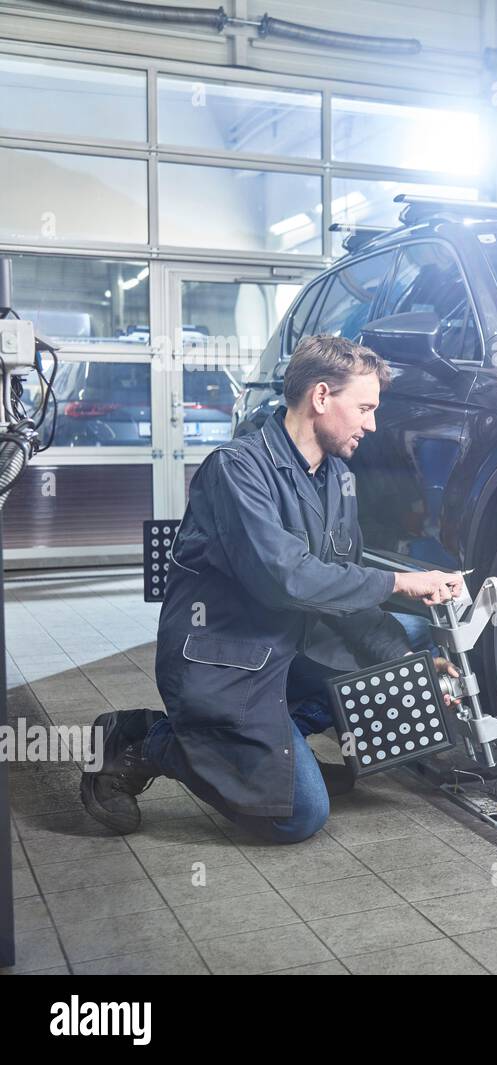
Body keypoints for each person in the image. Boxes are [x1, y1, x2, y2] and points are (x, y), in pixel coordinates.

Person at [80, 334, 463, 843]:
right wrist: (399, 581)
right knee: (299, 816)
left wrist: (409, 672)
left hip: (285, 649)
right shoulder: (236, 470)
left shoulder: (337, 479)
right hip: (226, 659)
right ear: (321, 397)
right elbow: (287, 578)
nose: (372, 424)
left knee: (409, 632)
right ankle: (139, 742)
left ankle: (272, 755)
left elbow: (342, 593)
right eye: (365, 408)